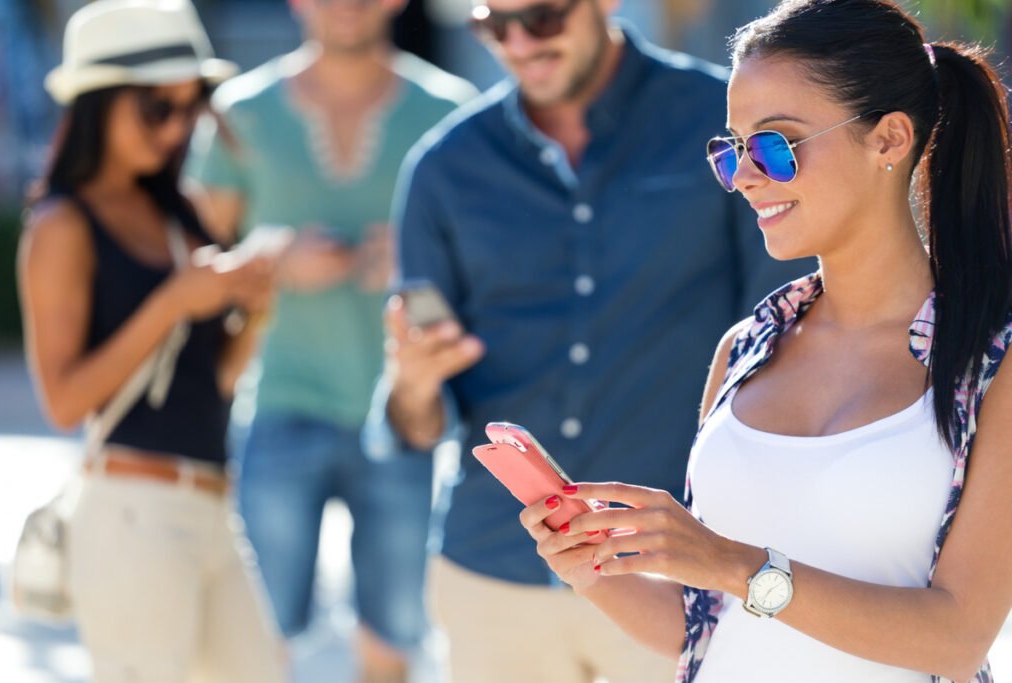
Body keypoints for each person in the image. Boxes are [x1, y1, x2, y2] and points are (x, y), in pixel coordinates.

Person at [519, 1, 1012, 681]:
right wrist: (589, 568)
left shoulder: (994, 363)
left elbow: (956, 637)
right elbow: (704, 630)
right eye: (731, 148)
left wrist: (727, 559)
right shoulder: (745, 351)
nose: (746, 176)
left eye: (776, 144)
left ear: (889, 140)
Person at [363, 0, 814, 680]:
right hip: (495, 577)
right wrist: (414, 381)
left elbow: (789, 331)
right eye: (493, 25)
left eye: (543, 17)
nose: (519, 43)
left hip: (675, 572)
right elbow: (410, 424)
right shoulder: (443, 168)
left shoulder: (718, 125)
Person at [186, 1, 476, 680]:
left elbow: (482, 270)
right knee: (257, 636)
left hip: (403, 415)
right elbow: (193, 268)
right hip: (278, 405)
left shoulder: (449, 109)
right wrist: (274, 260)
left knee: (392, 641)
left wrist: (413, 265)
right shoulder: (241, 110)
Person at [17, 1, 287, 682]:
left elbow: (212, 380)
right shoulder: (61, 225)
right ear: (96, 104)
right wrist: (174, 301)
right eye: (155, 109)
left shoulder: (181, 212)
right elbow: (63, 400)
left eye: (189, 107)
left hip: (213, 506)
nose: (175, 129)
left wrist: (253, 309)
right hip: (131, 514)